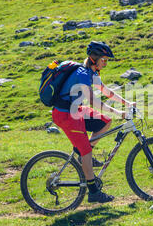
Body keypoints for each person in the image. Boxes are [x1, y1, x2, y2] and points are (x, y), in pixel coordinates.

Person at [51, 41, 135, 203]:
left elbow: (106, 91)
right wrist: (119, 112)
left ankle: (84, 158)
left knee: (105, 121)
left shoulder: (92, 73)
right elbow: (92, 100)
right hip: (65, 115)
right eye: (104, 59)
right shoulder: (83, 74)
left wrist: (127, 103)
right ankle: (93, 192)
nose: (106, 63)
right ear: (93, 58)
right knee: (86, 151)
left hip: (75, 110)